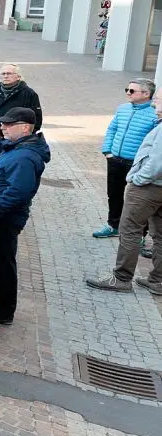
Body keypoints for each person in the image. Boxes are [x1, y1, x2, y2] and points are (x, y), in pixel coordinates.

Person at [0, 108, 49, 326]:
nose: (3, 127)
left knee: (3, 263)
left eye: (8, 125)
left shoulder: (25, 156)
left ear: (25, 128)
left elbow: (19, 192)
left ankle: (4, 310)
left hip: (4, 218)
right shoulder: (16, 147)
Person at [87, 88, 162, 295]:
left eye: (158, 99)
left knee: (129, 229)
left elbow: (157, 163)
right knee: (159, 235)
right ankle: (157, 281)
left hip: (149, 187)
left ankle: (121, 278)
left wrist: (138, 179)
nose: (155, 103)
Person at [92, 79, 159, 238]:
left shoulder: (154, 114)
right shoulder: (122, 109)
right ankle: (113, 225)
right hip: (115, 160)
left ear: (146, 94)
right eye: (127, 90)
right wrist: (108, 151)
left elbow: (155, 144)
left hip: (137, 165)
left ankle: (140, 235)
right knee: (114, 194)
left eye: (132, 91)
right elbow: (112, 129)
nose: (128, 93)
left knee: (139, 201)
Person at [0, 64, 43, 136]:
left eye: (9, 73)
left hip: (16, 140)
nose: (6, 76)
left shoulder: (29, 94)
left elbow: (36, 119)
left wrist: (25, 136)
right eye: (3, 74)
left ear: (18, 77)